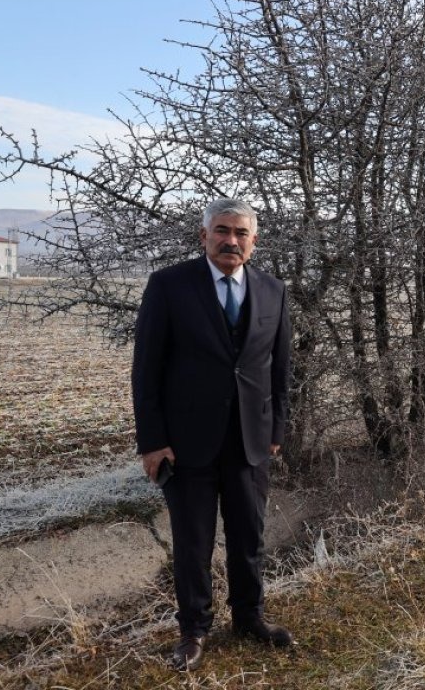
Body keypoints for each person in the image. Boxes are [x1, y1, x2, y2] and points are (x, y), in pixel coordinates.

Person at [132, 198, 293, 671]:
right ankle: (193, 630)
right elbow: (146, 370)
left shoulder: (273, 290)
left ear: (254, 241)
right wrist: (152, 440)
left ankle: (250, 618)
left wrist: (277, 429)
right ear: (204, 236)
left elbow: (279, 368)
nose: (230, 240)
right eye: (221, 231)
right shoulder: (169, 286)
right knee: (193, 542)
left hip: (251, 440)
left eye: (241, 233)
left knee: (249, 536)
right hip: (186, 443)